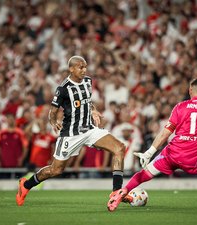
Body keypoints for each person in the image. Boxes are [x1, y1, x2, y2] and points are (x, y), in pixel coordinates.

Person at [107, 78, 197, 212]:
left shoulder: (180, 106)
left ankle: (122, 192)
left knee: (145, 173)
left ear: (190, 91)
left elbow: (165, 133)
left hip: (172, 154)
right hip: (195, 159)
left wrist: (149, 152)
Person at [16, 56, 125, 206]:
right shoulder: (63, 89)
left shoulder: (88, 81)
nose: (84, 70)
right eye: (80, 67)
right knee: (56, 170)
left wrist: (93, 110)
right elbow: (53, 112)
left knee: (119, 148)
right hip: (70, 134)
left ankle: (116, 192)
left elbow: (88, 100)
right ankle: (26, 185)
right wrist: (53, 121)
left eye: (85, 66)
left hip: (89, 129)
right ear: (71, 69)